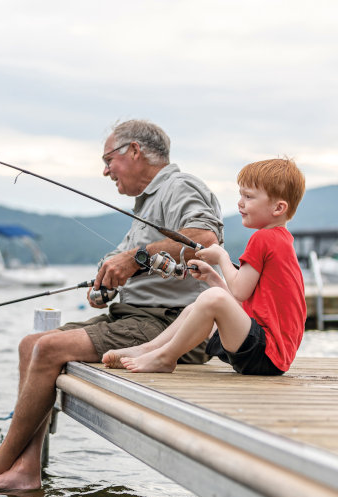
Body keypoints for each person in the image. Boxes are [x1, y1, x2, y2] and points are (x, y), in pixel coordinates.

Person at [0, 119, 224, 492]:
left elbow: (205, 240)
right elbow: (132, 261)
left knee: (48, 347)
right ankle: (26, 470)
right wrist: (104, 286)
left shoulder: (178, 186)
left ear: (135, 151)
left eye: (109, 160)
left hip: (173, 327)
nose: (105, 170)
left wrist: (135, 257)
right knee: (31, 343)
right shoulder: (147, 203)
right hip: (136, 317)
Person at [103, 158, 306, 375]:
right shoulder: (281, 240)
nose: (240, 203)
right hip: (263, 351)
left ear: (278, 207)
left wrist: (221, 256)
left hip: (266, 353)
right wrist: (212, 278)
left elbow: (238, 291)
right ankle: (148, 349)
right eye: (241, 195)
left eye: (248, 196)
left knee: (212, 298)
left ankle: (165, 357)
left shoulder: (263, 239)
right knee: (197, 305)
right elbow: (242, 300)